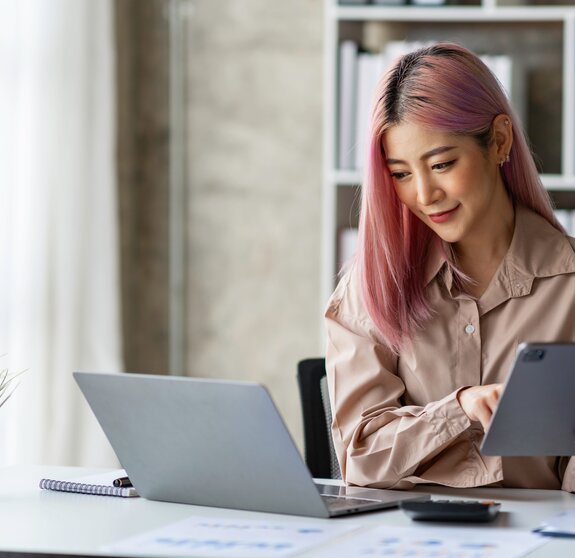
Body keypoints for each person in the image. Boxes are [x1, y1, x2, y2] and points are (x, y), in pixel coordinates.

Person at [325, 42, 575, 492]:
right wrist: (458, 409)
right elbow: (360, 458)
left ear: (499, 140)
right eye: (400, 173)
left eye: (442, 164)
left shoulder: (569, 284)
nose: (424, 194)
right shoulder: (367, 290)